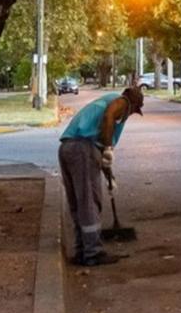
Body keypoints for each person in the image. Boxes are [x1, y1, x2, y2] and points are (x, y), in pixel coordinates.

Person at [58, 86, 144, 266]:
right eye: (135, 110)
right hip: (83, 149)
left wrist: (108, 174)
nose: (130, 115)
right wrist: (107, 148)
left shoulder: (106, 100)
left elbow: (100, 147)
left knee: (78, 202)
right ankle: (93, 253)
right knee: (89, 201)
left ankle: (82, 250)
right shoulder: (121, 102)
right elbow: (109, 117)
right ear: (133, 103)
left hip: (68, 149)